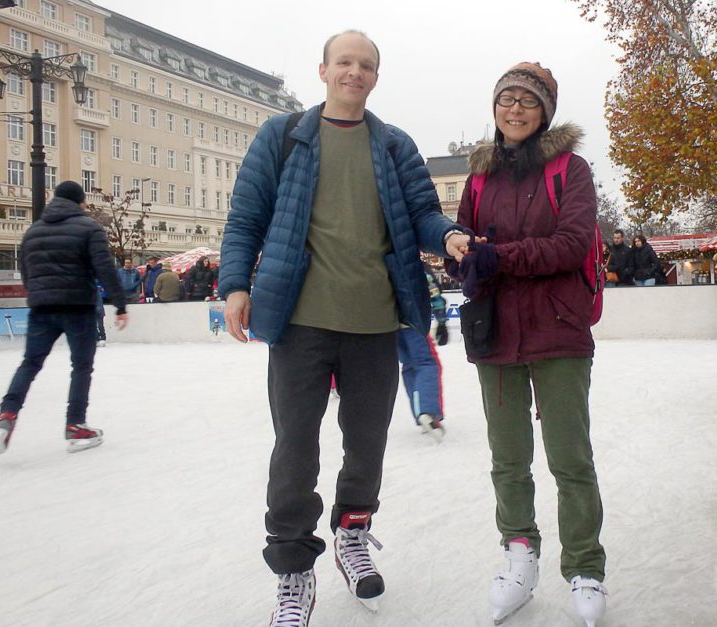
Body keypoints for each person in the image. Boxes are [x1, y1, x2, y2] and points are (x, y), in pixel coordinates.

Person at [217, 30, 470, 627]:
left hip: (375, 323)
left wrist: (449, 235)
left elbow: (421, 213)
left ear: (376, 77)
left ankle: (352, 535)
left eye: (367, 65)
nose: (355, 73)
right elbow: (245, 217)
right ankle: (293, 570)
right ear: (324, 70)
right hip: (299, 322)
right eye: (346, 63)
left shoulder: (394, 145)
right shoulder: (282, 137)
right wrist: (234, 286)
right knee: (294, 450)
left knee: (367, 444)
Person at [449, 62, 607, 627]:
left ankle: (585, 565)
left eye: (527, 101)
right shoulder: (478, 178)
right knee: (507, 459)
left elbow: (569, 245)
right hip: (493, 332)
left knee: (570, 458)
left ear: (545, 113)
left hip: (558, 328)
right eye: (506, 99)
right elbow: (465, 241)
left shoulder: (571, 170)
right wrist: (460, 253)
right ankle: (520, 554)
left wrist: (500, 255)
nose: (514, 109)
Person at [0, 181, 129, 459]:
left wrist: (39, 294)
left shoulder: (33, 231)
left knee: (29, 363)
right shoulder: (90, 228)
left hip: (41, 308)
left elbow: (26, 271)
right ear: (80, 202)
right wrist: (120, 304)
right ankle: (75, 424)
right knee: (81, 366)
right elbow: (104, 268)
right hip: (78, 306)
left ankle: (7, 414)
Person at [397, 265, 448, 442]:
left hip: (391, 327)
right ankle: (428, 411)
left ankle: (420, 412)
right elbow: (433, 291)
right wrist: (441, 320)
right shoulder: (415, 265)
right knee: (428, 364)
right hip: (413, 324)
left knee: (410, 366)